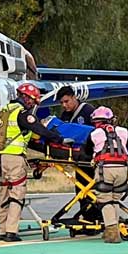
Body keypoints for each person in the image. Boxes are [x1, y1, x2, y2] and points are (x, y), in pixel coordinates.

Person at [0, 83, 68, 242]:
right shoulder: (22, 114)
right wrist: (59, 139)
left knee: (4, 194)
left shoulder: (3, 111)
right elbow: (39, 130)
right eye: (32, 101)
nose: (32, 105)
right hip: (14, 158)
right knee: (17, 194)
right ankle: (11, 232)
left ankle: (2, 230)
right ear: (26, 98)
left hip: (0, 158)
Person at [80, 106, 128, 243]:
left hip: (105, 169)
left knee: (104, 200)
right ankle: (114, 228)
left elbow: (85, 152)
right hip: (123, 169)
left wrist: (92, 158)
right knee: (115, 199)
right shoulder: (124, 131)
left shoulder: (94, 134)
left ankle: (111, 232)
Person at [56, 85, 96, 219]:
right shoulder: (64, 116)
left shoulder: (88, 111)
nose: (64, 105)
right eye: (61, 103)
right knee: (81, 189)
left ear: (74, 98)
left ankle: (95, 216)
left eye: (66, 101)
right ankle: (86, 216)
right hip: (78, 159)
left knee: (92, 187)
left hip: (91, 157)